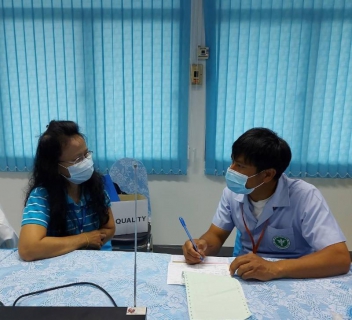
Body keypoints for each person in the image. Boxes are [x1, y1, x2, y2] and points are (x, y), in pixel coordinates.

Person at [183, 128, 350, 281]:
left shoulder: (305, 196)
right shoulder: (233, 193)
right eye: (232, 162)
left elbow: (340, 258)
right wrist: (201, 246)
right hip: (246, 273)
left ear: (267, 175)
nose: (231, 170)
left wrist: (274, 268)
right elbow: (216, 235)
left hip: (293, 274)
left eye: (240, 166)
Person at [18, 120, 115, 261]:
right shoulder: (42, 196)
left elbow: (110, 228)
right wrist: (84, 239)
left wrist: (92, 242)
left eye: (86, 154)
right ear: (55, 166)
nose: (85, 162)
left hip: (99, 259)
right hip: (61, 264)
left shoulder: (95, 186)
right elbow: (28, 249)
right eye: (77, 159)